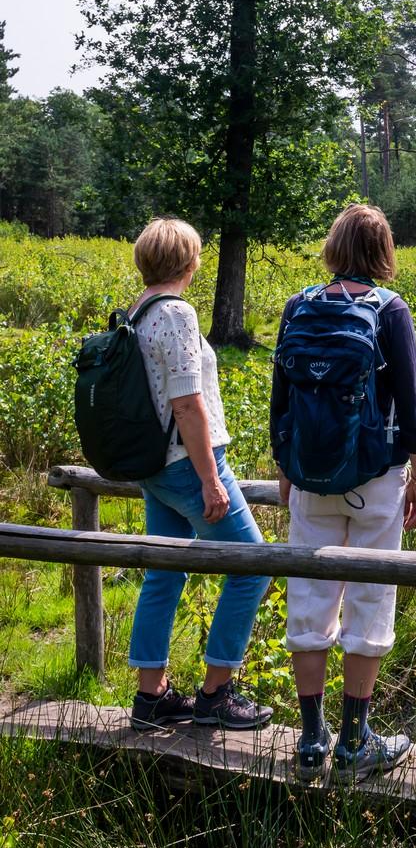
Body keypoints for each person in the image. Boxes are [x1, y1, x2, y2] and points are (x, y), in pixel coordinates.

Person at [270, 204, 416, 782]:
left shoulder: (299, 307)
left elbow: (281, 398)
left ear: (334, 247)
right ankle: (355, 742)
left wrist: (284, 467)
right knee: (370, 601)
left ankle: (311, 742)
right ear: (384, 251)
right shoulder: (390, 310)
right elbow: (410, 404)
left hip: (309, 478)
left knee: (310, 601)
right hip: (377, 477)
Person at [126, 217, 272, 733]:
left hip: (155, 468)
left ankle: (152, 699)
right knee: (252, 566)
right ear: (190, 262)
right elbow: (188, 405)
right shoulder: (178, 314)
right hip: (189, 463)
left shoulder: (136, 314)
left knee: (163, 572)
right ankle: (216, 695)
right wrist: (211, 479)